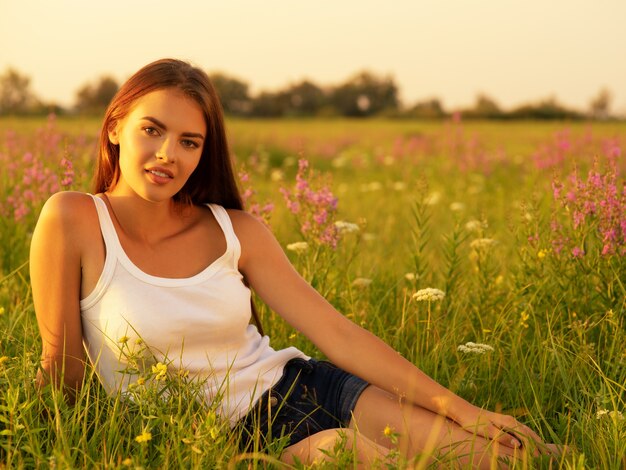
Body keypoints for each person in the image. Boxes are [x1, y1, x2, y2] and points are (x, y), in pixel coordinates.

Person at [31, 58, 558, 468]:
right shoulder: (73, 220)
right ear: (116, 126)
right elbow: (65, 378)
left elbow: (339, 335)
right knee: (347, 454)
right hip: (233, 439)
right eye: (152, 130)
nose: (168, 153)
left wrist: (466, 411)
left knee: (515, 457)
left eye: (189, 142)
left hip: (306, 387)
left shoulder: (234, 230)